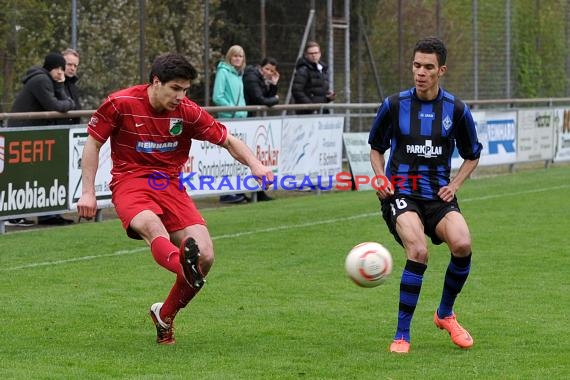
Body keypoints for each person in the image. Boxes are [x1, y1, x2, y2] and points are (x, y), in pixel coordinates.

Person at [77, 53, 274, 345]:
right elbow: (93, 142)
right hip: (131, 182)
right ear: (156, 82)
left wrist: (256, 165)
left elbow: (229, 141)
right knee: (152, 226)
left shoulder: (188, 111)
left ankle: (165, 314)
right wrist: (88, 191)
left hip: (170, 185)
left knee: (206, 256)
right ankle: (184, 268)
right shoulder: (121, 103)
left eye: (185, 90)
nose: (181, 96)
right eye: (175, 89)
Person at [368, 36, 483, 354]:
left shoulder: (456, 110)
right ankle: (402, 334)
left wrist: (456, 184)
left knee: (462, 243)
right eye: (416, 65)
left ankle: (445, 314)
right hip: (401, 193)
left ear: (441, 70)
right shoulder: (394, 105)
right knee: (418, 250)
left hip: (438, 195)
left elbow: (472, 154)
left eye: (428, 67)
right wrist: (380, 178)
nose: (420, 72)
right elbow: (376, 148)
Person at [6, 52, 76, 226]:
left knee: (36, 173)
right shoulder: (41, 80)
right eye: (58, 68)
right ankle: (13, 215)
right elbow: (57, 106)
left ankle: (45, 215)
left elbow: (66, 103)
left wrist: (61, 89)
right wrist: (64, 97)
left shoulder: (48, 80)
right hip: (22, 134)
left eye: (62, 68)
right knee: (20, 174)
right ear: (51, 67)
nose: (61, 72)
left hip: (30, 134)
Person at [212, 45, 248, 204]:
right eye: (235, 56)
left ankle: (235, 189)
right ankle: (226, 192)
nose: (238, 59)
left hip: (240, 119)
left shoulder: (238, 75)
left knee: (237, 156)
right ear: (229, 57)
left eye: (240, 56)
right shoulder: (223, 72)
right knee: (226, 156)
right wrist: (232, 110)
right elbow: (217, 96)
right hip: (229, 118)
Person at [242, 57, 280, 202]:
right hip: (246, 120)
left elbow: (267, 97)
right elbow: (260, 99)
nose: (269, 72)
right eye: (267, 69)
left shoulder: (263, 78)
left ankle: (259, 191)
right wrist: (275, 99)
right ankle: (248, 193)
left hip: (254, 122)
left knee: (257, 157)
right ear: (261, 67)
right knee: (248, 157)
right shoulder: (252, 76)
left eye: (272, 71)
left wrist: (274, 85)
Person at [292, 41, 335, 115]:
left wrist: (328, 97)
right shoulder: (303, 70)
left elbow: (319, 92)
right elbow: (296, 91)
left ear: (320, 54)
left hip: (322, 111)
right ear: (306, 55)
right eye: (311, 53)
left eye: (316, 53)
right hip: (307, 113)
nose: (314, 55)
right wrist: (310, 106)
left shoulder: (322, 69)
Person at [60, 48, 82, 125]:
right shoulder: (52, 84)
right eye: (69, 64)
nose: (72, 68)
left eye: (75, 66)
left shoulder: (73, 86)